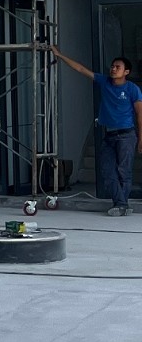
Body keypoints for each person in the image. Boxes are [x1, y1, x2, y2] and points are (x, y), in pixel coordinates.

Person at [47, 46, 142, 216]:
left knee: (124, 171)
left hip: (126, 134)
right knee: (107, 169)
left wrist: (141, 138)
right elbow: (81, 69)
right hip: (108, 133)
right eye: (112, 66)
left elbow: (140, 113)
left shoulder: (132, 89)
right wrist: (59, 55)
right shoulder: (104, 81)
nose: (113, 69)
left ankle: (121, 204)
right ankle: (122, 204)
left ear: (126, 72)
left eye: (118, 67)